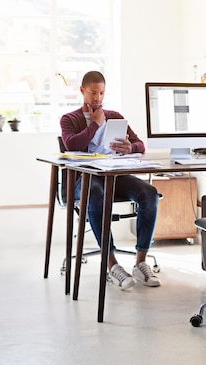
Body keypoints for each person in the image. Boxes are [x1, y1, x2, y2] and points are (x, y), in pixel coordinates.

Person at [60, 71, 161, 289]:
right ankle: (112, 264)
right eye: (93, 92)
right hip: (85, 180)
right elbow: (72, 146)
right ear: (82, 91)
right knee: (95, 195)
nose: (98, 98)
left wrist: (130, 147)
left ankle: (141, 262)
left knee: (149, 193)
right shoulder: (69, 119)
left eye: (102, 93)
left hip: (115, 176)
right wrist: (94, 124)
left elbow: (140, 144)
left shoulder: (114, 116)